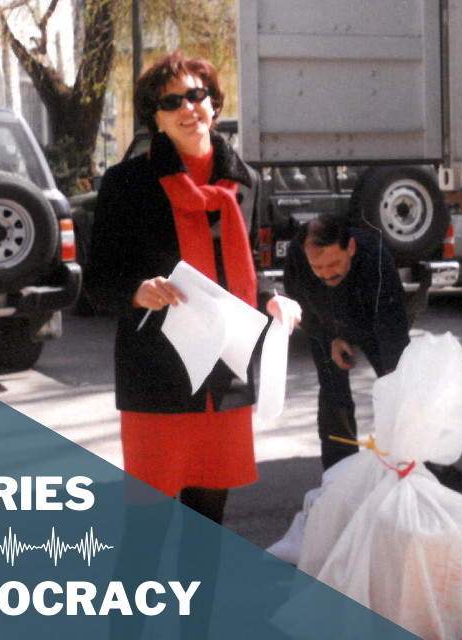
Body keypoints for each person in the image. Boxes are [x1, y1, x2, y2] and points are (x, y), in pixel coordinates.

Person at [85, 51, 300, 639]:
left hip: (224, 382)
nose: (190, 108)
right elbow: (98, 281)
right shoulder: (128, 184)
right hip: (158, 383)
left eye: (199, 94)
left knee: (209, 531)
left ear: (215, 103)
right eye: (173, 100)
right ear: (155, 117)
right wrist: (139, 290)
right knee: (147, 532)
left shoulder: (246, 180)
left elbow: (261, 265)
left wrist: (277, 299)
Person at [283, 214, 462, 491]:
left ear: (350, 247)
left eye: (335, 263)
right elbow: (298, 302)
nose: (327, 273)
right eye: (318, 267)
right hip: (326, 322)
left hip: (371, 320)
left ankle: (426, 466)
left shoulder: (373, 254)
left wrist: (393, 370)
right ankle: (340, 475)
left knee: (401, 389)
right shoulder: (297, 256)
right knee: (333, 393)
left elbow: (390, 318)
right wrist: (331, 338)